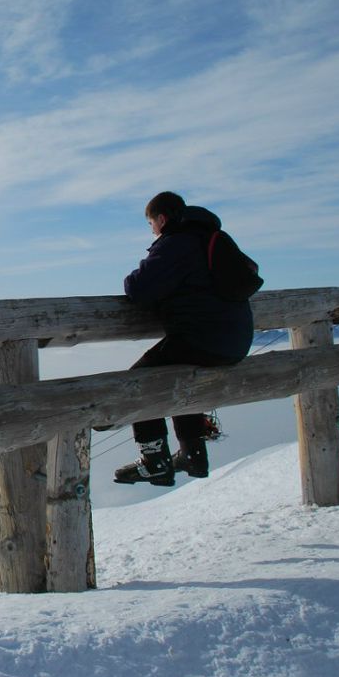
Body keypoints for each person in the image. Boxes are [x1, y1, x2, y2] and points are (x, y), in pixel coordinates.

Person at [114, 191, 254, 486]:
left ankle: (156, 462)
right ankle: (192, 456)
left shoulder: (176, 243)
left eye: (151, 223)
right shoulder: (212, 238)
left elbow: (139, 289)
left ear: (161, 219)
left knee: (137, 383)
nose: (151, 229)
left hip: (203, 340)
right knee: (178, 374)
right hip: (236, 341)